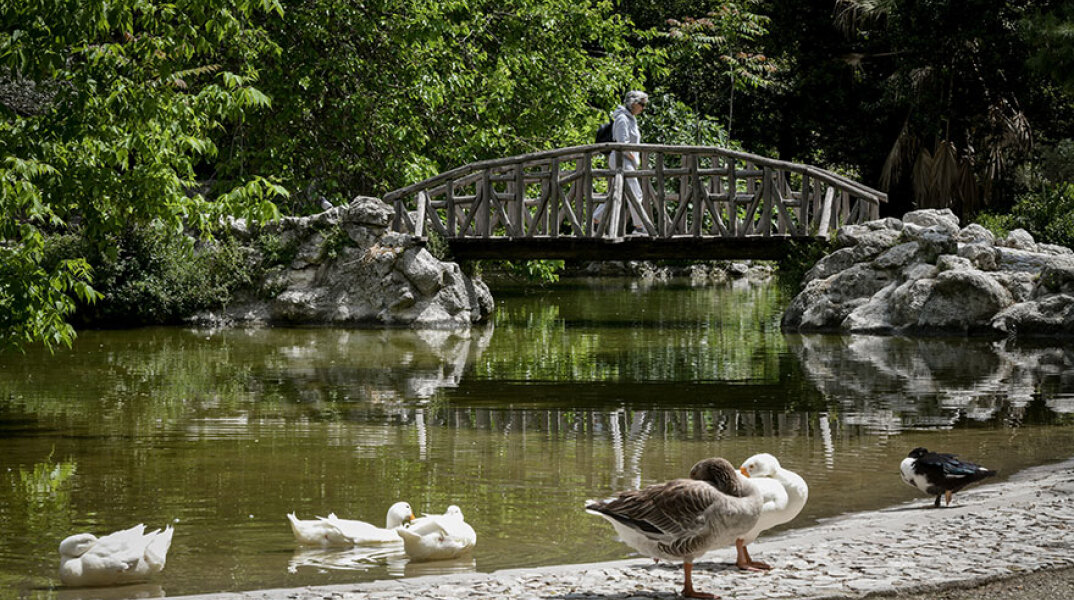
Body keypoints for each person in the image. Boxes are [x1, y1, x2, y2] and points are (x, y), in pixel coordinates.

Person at [594, 90, 649, 234]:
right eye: (642, 104)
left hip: (628, 161)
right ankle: (640, 227)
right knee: (635, 193)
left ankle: (596, 218)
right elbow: (622, 143)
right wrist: (634, 158)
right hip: (621, 160)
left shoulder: (631, 119)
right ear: (633, 103)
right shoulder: (622, 119)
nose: (643, 108)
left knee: (616, 193)